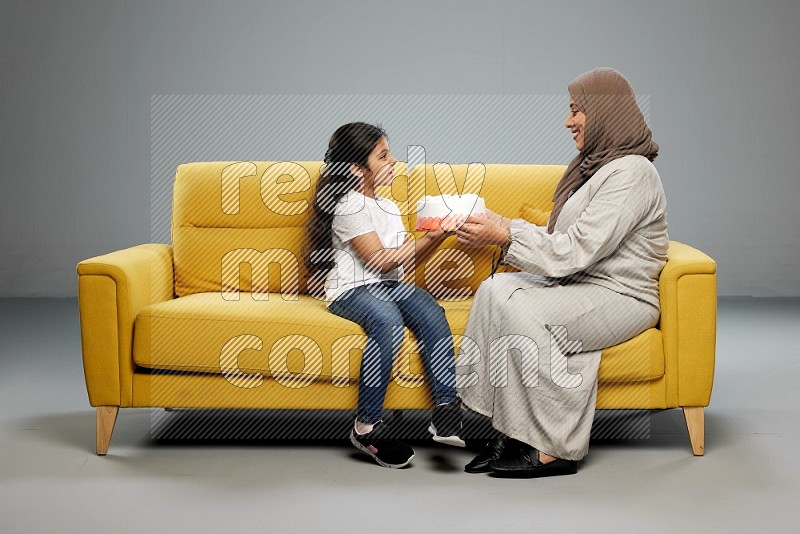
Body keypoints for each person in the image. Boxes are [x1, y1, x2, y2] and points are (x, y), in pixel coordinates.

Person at [453, 67, 668, 478]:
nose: (568, 121)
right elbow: (565, 236)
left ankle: (553, 445)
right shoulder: (595, 168)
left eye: (576, 110)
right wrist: (501, 223)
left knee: (523, 309)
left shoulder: (633, 173)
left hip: (622, 296)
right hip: (584, 285)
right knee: (496, 288)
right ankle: (508, 428)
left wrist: (505, 235)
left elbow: (576, 250)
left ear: (604, 111)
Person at [305, 122, 465, 469]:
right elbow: (378, 258)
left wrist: (437, 236)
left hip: (390, 285)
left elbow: (404, 260)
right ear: (356, 168)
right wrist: (428, 237)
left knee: (430, 310)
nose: (394, 161)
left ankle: (446, 409)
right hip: (352, 290)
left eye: (390, 153)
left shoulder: (390, 207)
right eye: (383, 155)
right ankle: (366, 427)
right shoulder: (348, 206)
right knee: (387, 320)